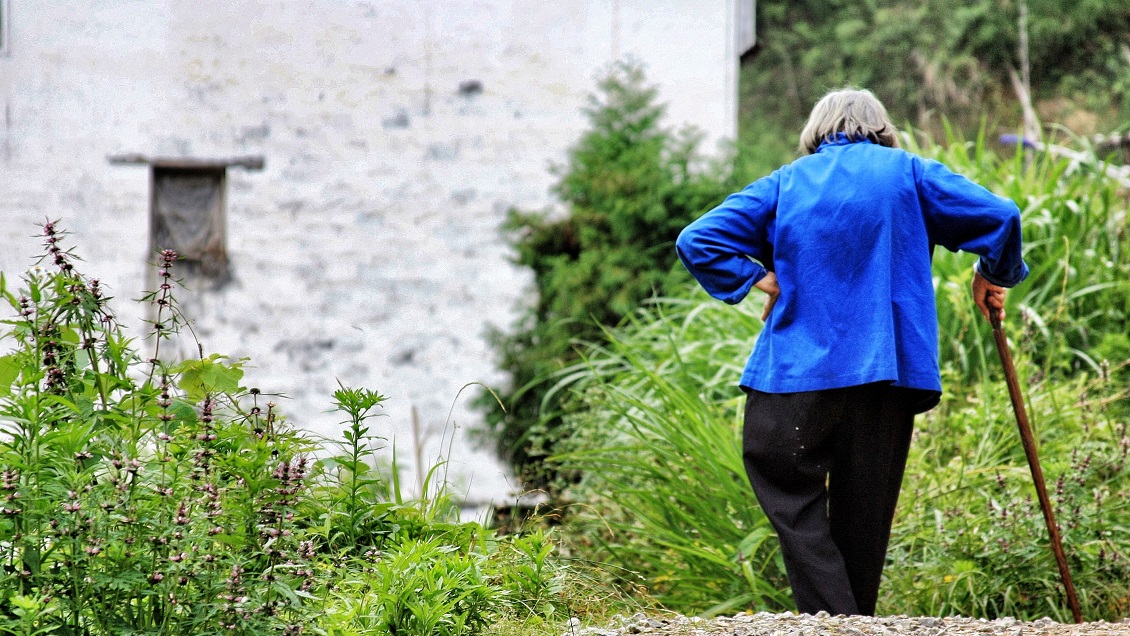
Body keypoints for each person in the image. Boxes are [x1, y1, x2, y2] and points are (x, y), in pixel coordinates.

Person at [675, 88, 1028, 616]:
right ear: (883, 130)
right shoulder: (909, 173)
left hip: (793, 380)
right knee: (865, 515)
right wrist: (992, 274)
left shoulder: (786, 182)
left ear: (816, 133)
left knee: (785, 486)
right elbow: (1002, 216)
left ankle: (835, 623)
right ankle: (851, 623)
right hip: (886, 377)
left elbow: (698, 239)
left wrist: (757, 278)